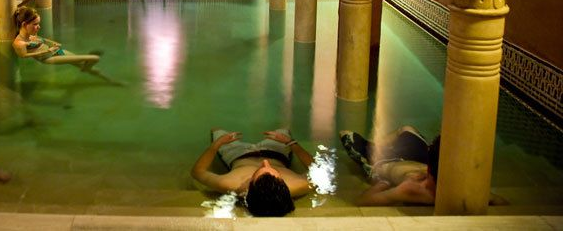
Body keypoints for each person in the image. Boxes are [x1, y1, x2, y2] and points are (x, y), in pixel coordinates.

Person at [340, 126, 507, 206]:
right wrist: (383, 183)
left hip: (391, 162)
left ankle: (375, 148)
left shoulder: (413, 189)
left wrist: (383, 183)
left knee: (347, 135)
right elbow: (362, 201)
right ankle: (377, 146)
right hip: (400, 160)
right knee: (406, 129)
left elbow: (363, 200)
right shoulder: (413, 187)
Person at [191, 128, 314, 217]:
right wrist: (291, 142)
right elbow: (318, 169)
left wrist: (217, 145)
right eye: (275, 172)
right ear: (282, 183)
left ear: (250, 186)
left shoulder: (230, 184)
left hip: (237, 154)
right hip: (276, 153)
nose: (265, 162)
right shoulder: (298, 185)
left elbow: (198, 172)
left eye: (258, 171)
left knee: (216, 130)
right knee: (284, 129)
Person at [12, 6, 101, 73]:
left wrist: (54, 43)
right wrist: (47, 51)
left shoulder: (32, 34)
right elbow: (24, 55)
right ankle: (86, 69)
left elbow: (42, 39)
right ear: (24, 24)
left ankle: (107, 79)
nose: (39, 27)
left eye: (38, 23)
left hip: (56, 51)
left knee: (84, 65)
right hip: (48, 57)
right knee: (94, 58)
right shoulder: (19, 43)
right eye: (35, 24)